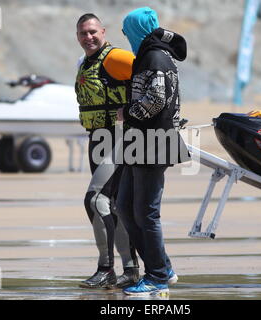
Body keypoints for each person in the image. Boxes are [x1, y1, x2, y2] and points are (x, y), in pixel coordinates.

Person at [116, 7, 190, 296]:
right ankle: (163, 268)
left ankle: (158, 276)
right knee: (124, 206)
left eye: (126, 31)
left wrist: (128, 113)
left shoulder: (155, 56)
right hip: (141, 141)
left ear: (136, 30)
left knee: (146, 213)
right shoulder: (150, 53)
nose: (125, 36)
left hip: (153, 142)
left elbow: (157, 99)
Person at [75, 13, 139, 289]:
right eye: (82, 33)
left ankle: (106, 269)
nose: (88, 37)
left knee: (95, 199)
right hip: (98, 138)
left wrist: (136, 111)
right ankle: (130, 269)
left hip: (120, 138)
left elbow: (156, 78)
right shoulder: (84, 62)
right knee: (113, 205)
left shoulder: (116, 58)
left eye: (92, 32)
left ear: (103, 31)